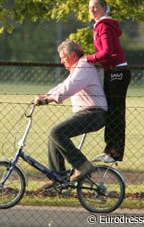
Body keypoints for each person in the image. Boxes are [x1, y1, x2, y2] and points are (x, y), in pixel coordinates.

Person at [34, 39, 108, 189]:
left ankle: (83, 165)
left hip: (94, 114)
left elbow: (69, 88)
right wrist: (45, 95)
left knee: (57, 132)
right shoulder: (78, 68)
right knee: (53, 135)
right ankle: (58, 178)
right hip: (88, 113)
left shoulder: (84, 66)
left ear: (73, 55)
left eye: (63, 57)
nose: (61, 61)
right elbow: (63, 85)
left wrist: (49, 100)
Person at [85, 0, 131, 163]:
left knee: (116, 112)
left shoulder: (104, 25)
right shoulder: (100, 25)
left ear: (104, 8)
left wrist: (88, 59)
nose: (91, 10)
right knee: (111, 111)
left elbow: (107, 51)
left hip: (118, 72)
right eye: (90, 7)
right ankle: (109, 150)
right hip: (111, 72)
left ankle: (115, 153)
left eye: (95, 6)